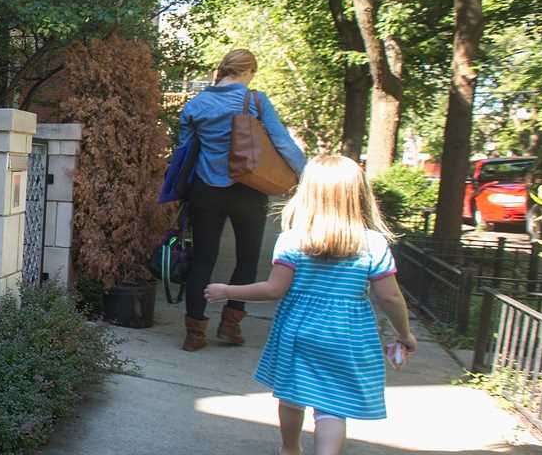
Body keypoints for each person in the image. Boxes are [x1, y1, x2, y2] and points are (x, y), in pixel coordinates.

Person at [206, 155, 419, 455]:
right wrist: (404, 334)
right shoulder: (372, 243)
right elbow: (389, 297)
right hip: (347, 335)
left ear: (308, 193)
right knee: (332, 405)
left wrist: (227, 290)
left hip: (298, 329)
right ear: (358, 195)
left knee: (292, 395)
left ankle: (290, 449)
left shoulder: (293, 240)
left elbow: (273, 289)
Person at [178, 49, 306, 351]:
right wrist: (307, 176)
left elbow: (185, 151)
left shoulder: (195, 105)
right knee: (247, 258)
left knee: (202, 260)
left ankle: (194, 332)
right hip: (249, 189)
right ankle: (230, 325)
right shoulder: (255, 101)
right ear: (247, 71)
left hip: (205, 189)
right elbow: (282, 142)